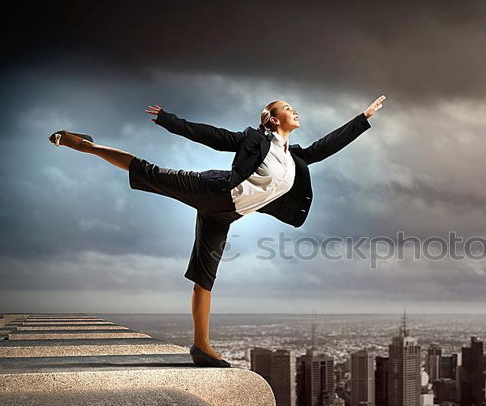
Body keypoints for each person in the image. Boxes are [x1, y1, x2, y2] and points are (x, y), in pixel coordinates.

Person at [49, 95, 386, 367]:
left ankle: (201, 346)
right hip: (213, 191)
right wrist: (170, 121)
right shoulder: (255, 140)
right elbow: (213, 137)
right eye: (287, 108)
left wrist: (364, 118)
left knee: (204, 278)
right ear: (271, 119)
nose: (295, 111)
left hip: (226, 215)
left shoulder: (296, 157)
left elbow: (327, 145)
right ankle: (86, 145)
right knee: (148, 171)